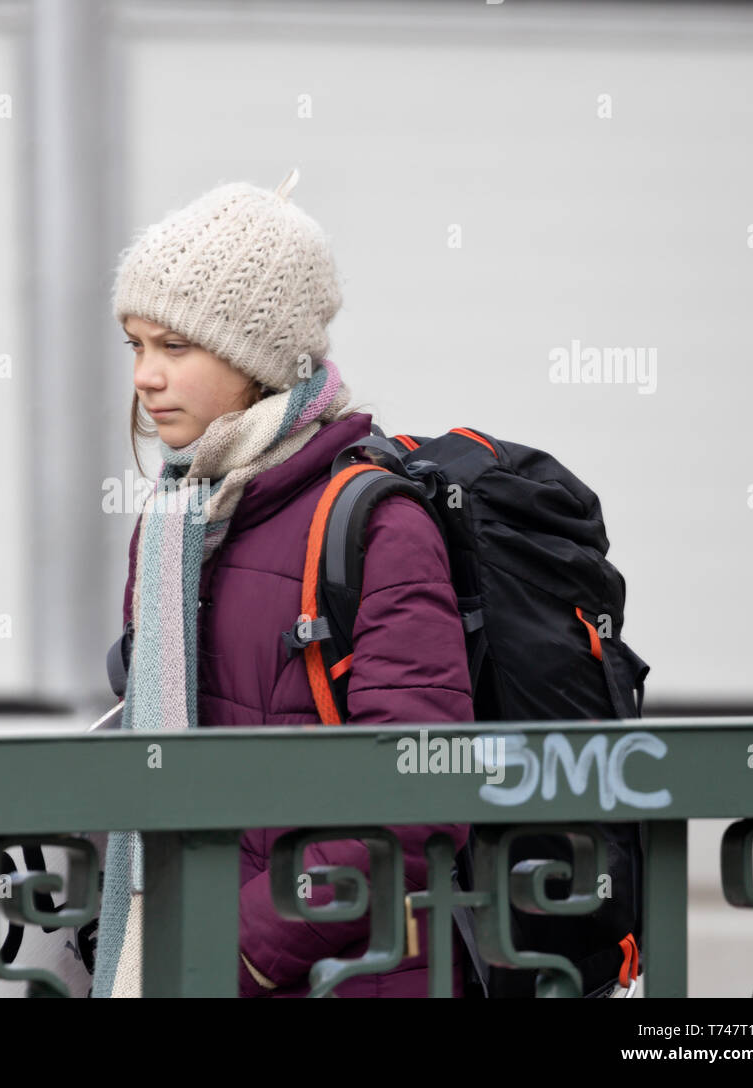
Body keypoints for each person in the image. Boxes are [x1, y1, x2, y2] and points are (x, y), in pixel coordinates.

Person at [91, 169, 474, 999]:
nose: (144, 378)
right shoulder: (175, 521)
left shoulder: (373, 523)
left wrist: (248, 948)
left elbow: (420, 788)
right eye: (137, 345)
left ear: (256, 359)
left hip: (334, 974)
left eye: (176, 347)